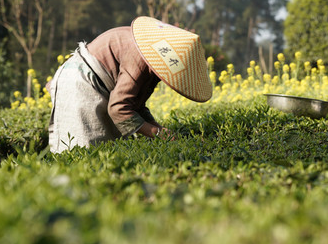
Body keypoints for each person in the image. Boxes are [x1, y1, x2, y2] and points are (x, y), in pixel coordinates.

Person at [48, 16, 212, 153]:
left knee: (108, 152)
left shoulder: (153, 61)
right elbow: (119, 108)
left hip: (94, 83)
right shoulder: (142, 59)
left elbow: (135, 106)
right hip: (81, 83)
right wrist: (157, 132)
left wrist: (162, 131)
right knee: (84, 150)